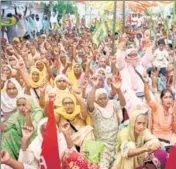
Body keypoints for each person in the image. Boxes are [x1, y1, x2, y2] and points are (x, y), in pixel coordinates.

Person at [87, 76, 126, 169]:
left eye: (105, 98)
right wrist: (93, 87)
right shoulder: (95, 109)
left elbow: (123, 103)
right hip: (103, 146)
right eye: (100, 99)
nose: (104, 100)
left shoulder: (112, 104)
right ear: (96, 100)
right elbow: (90, 104)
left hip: (116, 142)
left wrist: (118, 89)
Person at [1, 94, 44, 159]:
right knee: (7, 133)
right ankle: (8, 160)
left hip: (35, 140)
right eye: (19, 105)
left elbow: (30, 129)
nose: (21, 107)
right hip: (23, 139)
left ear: (30, 103)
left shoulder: (38, 112)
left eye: (23, 105)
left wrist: (27, 114)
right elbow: (4, 128)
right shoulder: (17, 115)